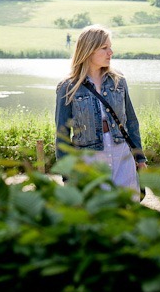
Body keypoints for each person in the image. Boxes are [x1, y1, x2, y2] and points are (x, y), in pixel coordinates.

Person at [55, 24, 147, 198]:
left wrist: (140, 159)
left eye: (110, 47)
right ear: (88, 50)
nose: (110, 52)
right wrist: (67, 175)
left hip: (123, 157)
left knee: (127, 210)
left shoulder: (118, 81)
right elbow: (62, 134)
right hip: (88, 161)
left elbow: (132, 121)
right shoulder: (68, 87)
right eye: (104, 48)